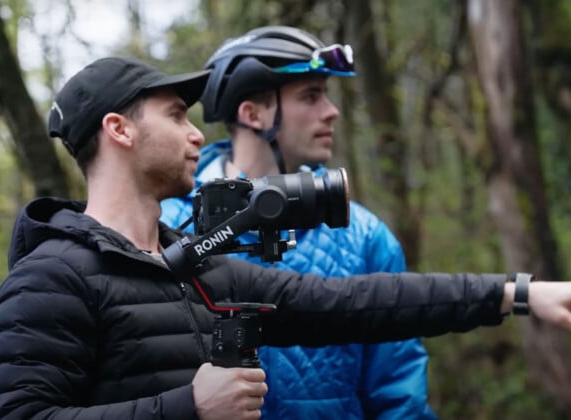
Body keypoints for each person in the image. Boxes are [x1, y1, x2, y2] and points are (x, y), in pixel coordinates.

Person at [0, 55, 571, 420]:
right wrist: (189, 406)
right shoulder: (48, 279)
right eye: (178, 115)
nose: (194, 134)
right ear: (119, 130)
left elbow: (357, 303)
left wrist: (520, 295)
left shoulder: (198, 269)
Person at [160, 26, 437, 419]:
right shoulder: (167, 228)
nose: (332, 110)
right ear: (252, 113)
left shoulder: (364, 235)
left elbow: (398, 392)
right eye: (311, 96)